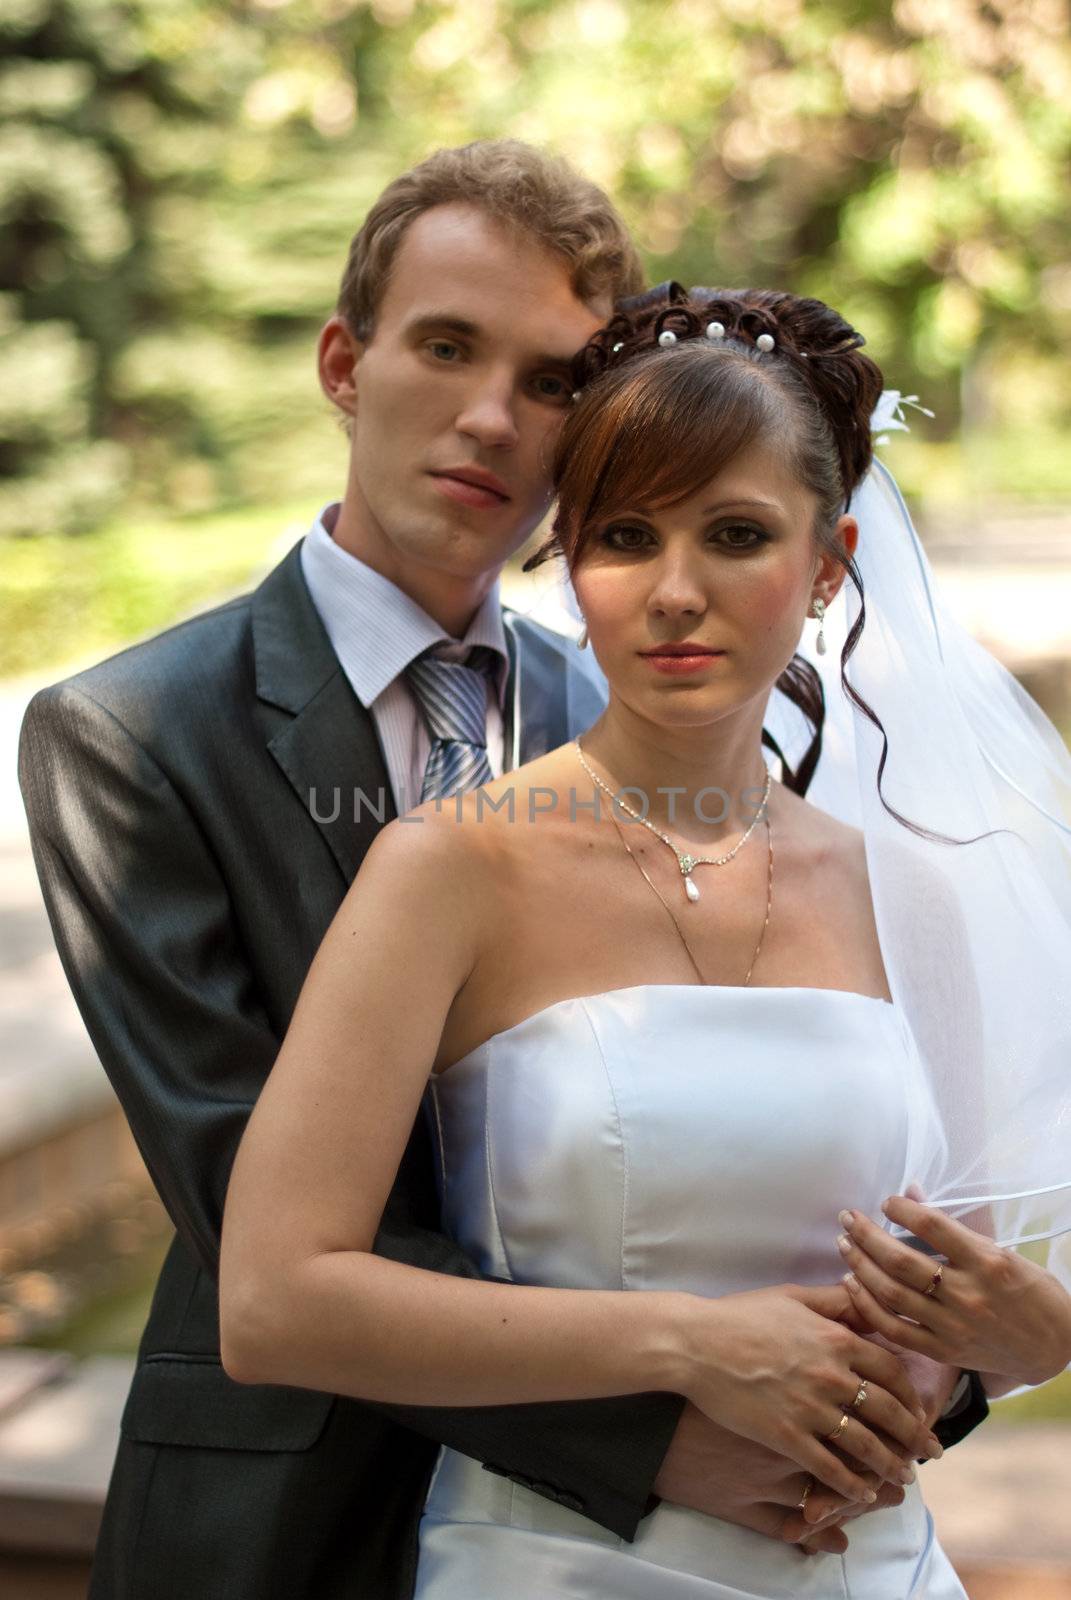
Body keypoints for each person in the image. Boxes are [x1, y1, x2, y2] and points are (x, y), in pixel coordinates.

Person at [18, 143, 934, 1598]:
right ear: (343, 362)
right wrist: (648, 1436)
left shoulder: (642, 699)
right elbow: (250, 1198)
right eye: (445, 348)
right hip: (296, 1516)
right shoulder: (132, 737)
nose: (492, 417)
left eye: (553, 377)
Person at [220, 283, 1071, 1598]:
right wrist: (687, 1344)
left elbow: (956, 1310)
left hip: (867, 1570)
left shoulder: (919, 898)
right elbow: (274, 1301)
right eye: (625, 536)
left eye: (736, 535)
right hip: (552, 1566)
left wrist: (1034, 1337)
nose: (675, 592)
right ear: (573, 562)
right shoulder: (448, 871)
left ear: (830, 563)